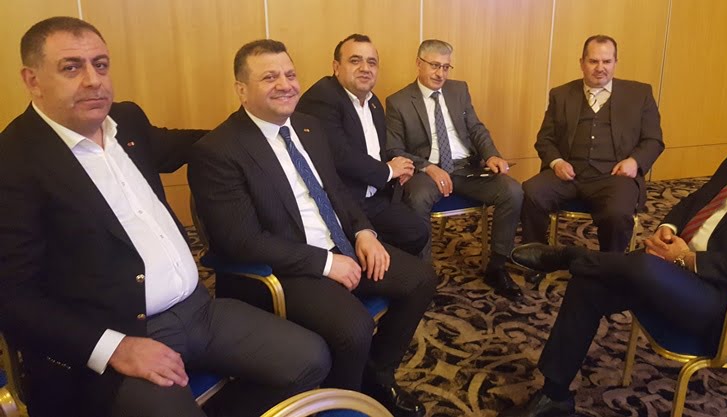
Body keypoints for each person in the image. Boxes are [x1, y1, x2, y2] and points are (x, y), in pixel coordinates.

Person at [0, 17, 330, 417]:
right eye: (71, 67)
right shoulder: (13, 162)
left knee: (309, 358)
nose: (93, 80)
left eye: (101, 65)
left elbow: (194, 144)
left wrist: (256, 134)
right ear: (32, 80)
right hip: (116, 334)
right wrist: (115, 348)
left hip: (198, 309)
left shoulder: (126, 121)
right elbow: (13, 297)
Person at [502, 58, 727, 417]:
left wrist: (688, 259)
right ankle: (554, 396)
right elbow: (698, 199)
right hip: (686, 275)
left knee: (640, 266)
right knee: (591, 280)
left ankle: (570, 256)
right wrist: (669, 229)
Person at [188, 39, 437, 417]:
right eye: (269, 77)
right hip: (283, 267)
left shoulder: (308, 126)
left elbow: (336, 191)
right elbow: (240, 241)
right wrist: (325, 263)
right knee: (354, 327)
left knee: (420, 279)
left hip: (340, 245)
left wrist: (364, 232)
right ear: (241, 90)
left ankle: (376, 377)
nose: (285, 85)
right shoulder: (219, 150)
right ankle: (340, 406)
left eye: (290, 75)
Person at [385, 39, 524, 301]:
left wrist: (492, 155)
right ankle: (424, 275)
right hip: (427, 171)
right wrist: (428, 167)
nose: (441, 73)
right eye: (435, 65)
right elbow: (393, 149)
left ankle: (497, 267)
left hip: (465, 168)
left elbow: (476, 129)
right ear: (418, 63)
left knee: (512, 191)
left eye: (446, 67)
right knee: (417, 197)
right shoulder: (398, 101)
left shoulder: (459, 90)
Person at [521, 35, 664, 254]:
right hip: (568, 174)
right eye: (593, 61)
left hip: (614, 176)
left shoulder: (640, 94)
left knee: (617, 213)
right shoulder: (561, 95)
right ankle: (535, 254)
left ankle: (608, 265)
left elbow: (653, 140)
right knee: (531, 192)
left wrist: (634, 162)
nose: (600, 68)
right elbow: (545, 139)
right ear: (582, 63)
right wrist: (557, 162)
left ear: (615, 63)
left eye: (607, 61)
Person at [297, 34, 429, 257]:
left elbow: (376, 150)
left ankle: (386, 264)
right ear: (336, 67)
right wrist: (388, 170)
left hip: (374, 196)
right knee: (393, 248)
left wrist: (400, 167)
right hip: (342, 201)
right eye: (355, 61)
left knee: (416, 232)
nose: (365, 68)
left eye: (371, 62)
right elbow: (341, 155)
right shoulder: (323, 98)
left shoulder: (373, 102)